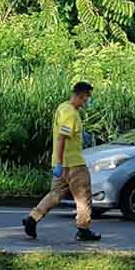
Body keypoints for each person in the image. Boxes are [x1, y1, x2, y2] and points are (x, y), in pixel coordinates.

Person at [22, 82, 101, 241]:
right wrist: (59, 162)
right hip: (73, 164)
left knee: (55, 194)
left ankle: (32, 218)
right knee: (83, 197)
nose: (88, 101)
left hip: (62, 164)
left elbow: (65, 134)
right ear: (80, 95)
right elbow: (61, 138)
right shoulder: (71, 114)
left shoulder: (63, 107)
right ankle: (83, 229)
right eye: (87, 97)